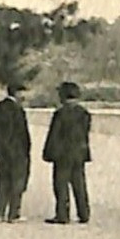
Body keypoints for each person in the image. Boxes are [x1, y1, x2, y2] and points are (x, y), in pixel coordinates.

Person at [41, 80, 92, 224]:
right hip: (79, 153)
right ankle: (84, 213)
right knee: (79, 184)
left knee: (61, 185)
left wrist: (48, 153)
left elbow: (54, 135)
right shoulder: (84, 113)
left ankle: (62, 214)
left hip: (62, 155)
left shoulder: (60, 114)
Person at [0, 80, 32, 223]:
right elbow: (23, 135)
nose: (24, 96)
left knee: (3, 181)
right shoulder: (18, 110)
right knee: (17, 182)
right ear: (16, 93)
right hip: (17, 151)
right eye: (22, 92)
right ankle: (13, 214)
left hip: (1, 151)